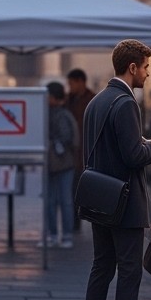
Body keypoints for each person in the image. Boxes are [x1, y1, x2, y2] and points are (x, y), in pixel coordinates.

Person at [80, 39, 151, 300]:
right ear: (132, 68)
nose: (147, 73)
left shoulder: (96, 102)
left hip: (98, 197)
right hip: (125, 201)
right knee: (129, 272)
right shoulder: (126, 102)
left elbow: (106, 147)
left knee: (101, 268)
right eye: (145, 67)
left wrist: (143, 144)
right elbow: (132, 155)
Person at [41, 81, 78, 248]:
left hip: (60, 162)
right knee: (56, 200)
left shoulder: (60, 114)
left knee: (61, 200)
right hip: (59, 162)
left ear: (54, 97)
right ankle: (57, 234)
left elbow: (66, 137)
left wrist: (53, 142)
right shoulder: (55, 112)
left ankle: (61, 235)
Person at [67, 68, 97, 232]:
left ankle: (89, 218)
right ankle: (74, 222)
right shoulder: (68, 100)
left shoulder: (92, 100)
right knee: (73, 190)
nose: (69, 87)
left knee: (86, 189)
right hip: (72, 154)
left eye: (71, 83)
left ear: (80, 82)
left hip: (87, 152)